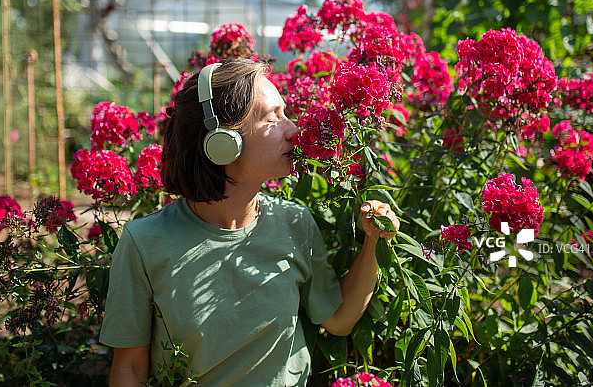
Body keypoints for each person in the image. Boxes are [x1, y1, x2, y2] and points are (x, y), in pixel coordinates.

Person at [100, 58, 399, 386]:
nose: (294, 131)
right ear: (223, 141)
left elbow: (339, 320)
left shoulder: (295, 222)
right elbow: (129, 369)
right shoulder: (144, 242)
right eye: (273, 117)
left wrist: (374, 240)